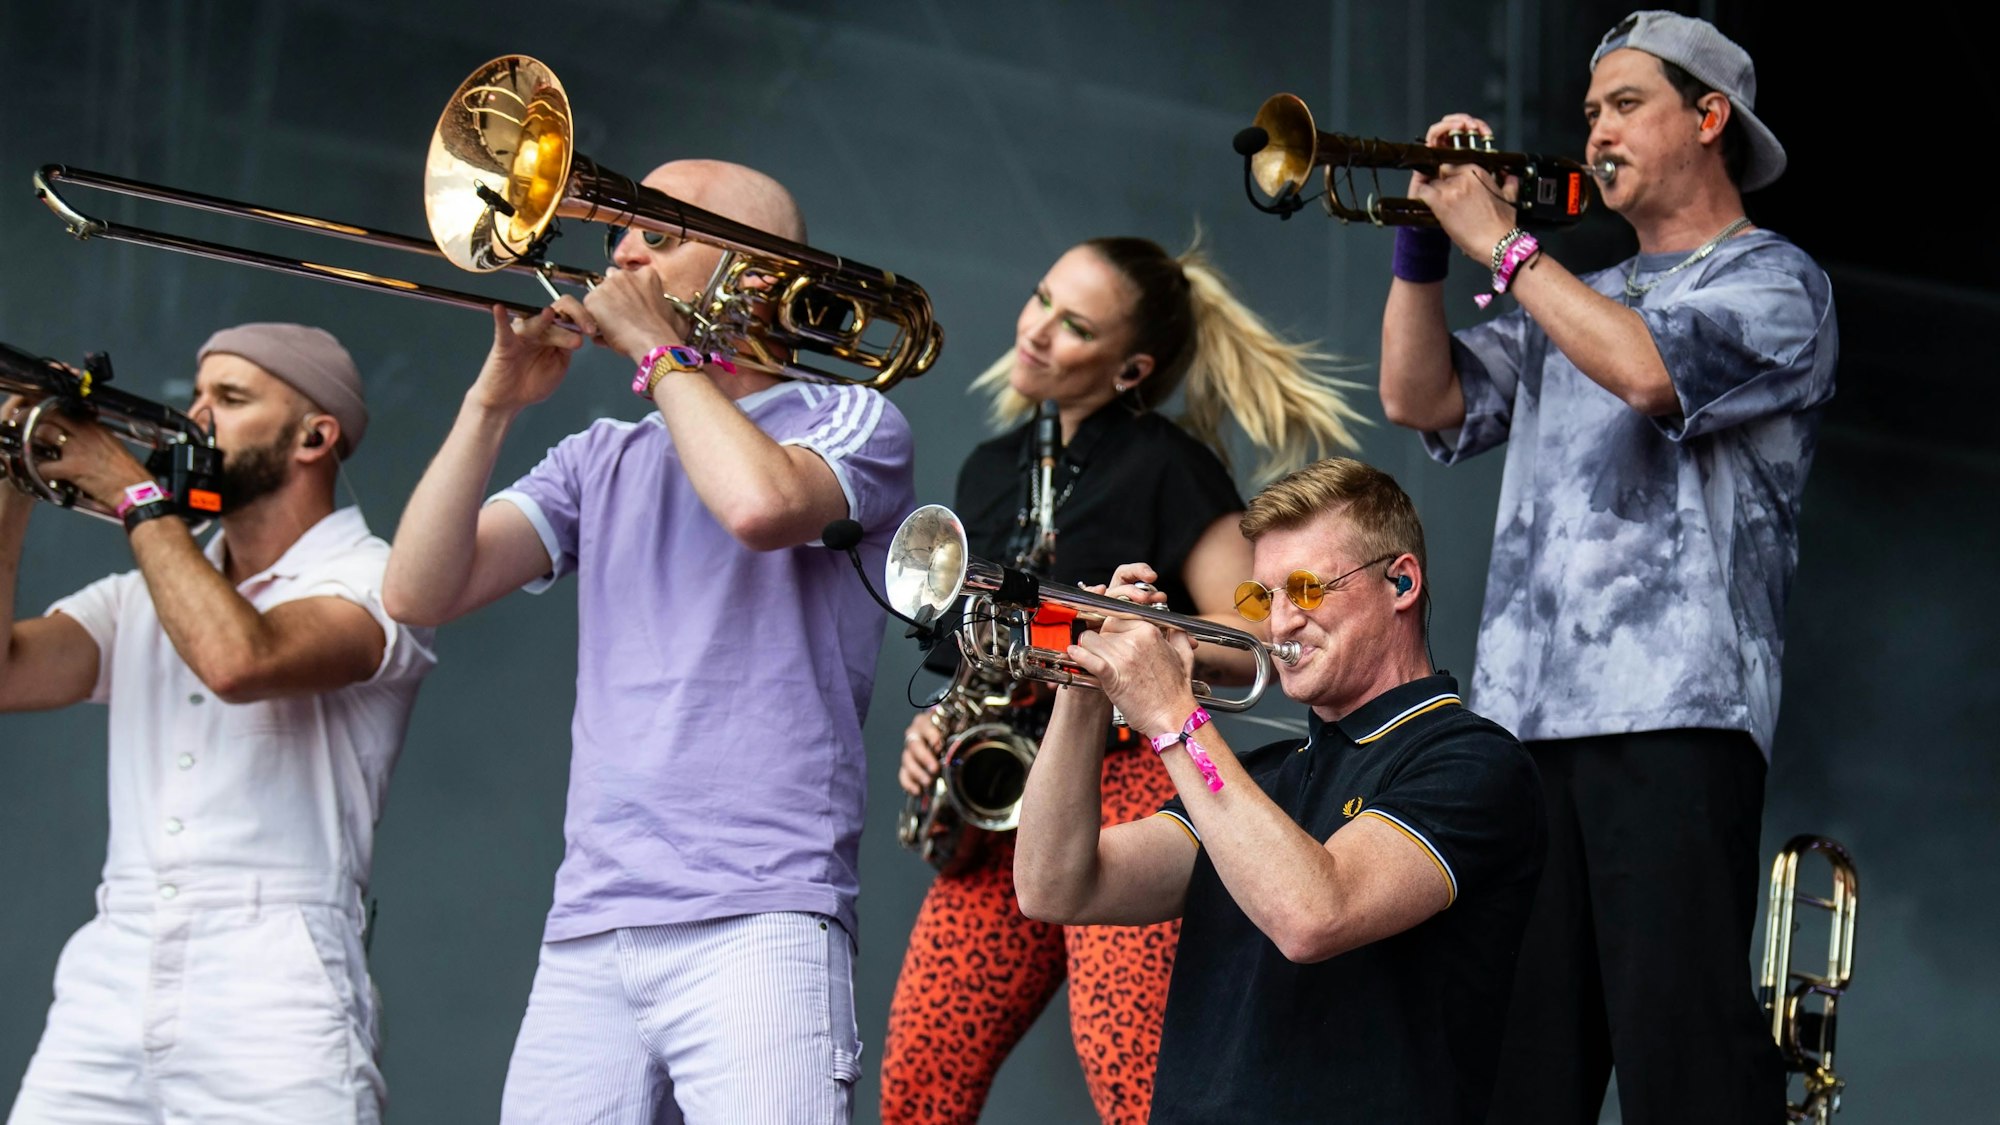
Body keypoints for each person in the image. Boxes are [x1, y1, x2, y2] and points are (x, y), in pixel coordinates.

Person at [1375, 11, 1837, 1124]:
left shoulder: (1776, 283)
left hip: (1673, 717)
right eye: (1587, 114)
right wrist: (1422, 243)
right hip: (1525, 727)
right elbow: (1417, 398)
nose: (1593, 133)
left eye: (1624, 104)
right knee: (1518, 1071)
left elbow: (1646, 374)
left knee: (1680, 1058)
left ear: (1708, 117)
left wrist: (1507, 248)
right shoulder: (1571, 299)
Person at [381, 159, 912, 1123]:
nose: (619, 253)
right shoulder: (602, 455)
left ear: (755, 273)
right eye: (619, 235)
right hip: (591, 920)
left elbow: (759, 506)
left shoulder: (854, 418)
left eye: (658, 235)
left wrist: (662, 356)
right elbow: (419, 589)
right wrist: (490, 406)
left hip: (762, 911)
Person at [881, 236, 1365, 1124]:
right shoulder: (990, 472)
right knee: (918, 1086)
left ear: (1132, 366)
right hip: (1006, 800)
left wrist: (1119, 630)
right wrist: (934, 732)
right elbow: (973, 655)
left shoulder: (1168, 464)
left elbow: (1252, 634)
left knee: (1137, 1081)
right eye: (1040, 300)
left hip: (1132, 785)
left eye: (1074, 325)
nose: (1035, 331)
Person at [1012, 456, 1545, 1124]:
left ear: (1401, 581)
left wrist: (1174, 716)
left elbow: (1314, 913)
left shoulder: (1471, 761)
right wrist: (1084, 683)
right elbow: (1054, 885)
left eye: (1308, 590)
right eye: (1264, 598)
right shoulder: (1262, 777)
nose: (1281, 622)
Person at [1, 324, 435, 1123]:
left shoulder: (376, 577)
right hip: (112, 965)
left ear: (316, 435)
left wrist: (134, 492)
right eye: (198, 397)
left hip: (275, 986)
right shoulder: (144, 593)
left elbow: (241, 659)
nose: (197, 419)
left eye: (231, 400)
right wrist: (14, 479)